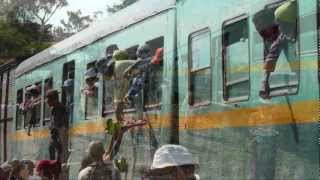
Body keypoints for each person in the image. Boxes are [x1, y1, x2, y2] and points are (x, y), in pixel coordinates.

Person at [253, 0, 297, 99]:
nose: (280, 29)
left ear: (292, 23)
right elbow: (271, 58)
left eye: (282, 24)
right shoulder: (282, 38)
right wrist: (264, 83)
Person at [46, 89, 69, 165]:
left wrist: (58, 133)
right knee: (51, 149)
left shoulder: (61, 108)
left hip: (60, 134)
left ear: (55, 99)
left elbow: (63, 124)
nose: (47, 101)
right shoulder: (53, 108)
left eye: (49, 99)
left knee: (60, 154)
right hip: (55, 134)